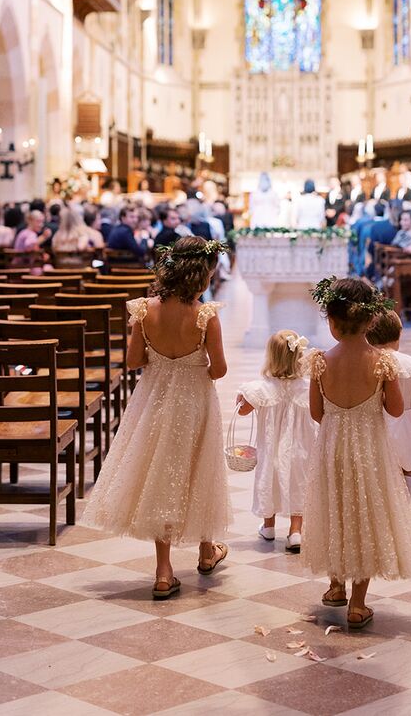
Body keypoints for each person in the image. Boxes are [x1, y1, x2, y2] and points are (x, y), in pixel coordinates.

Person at [82, 237, 231, 598]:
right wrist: (194, 369)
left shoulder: (144, 310)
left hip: (155, 398)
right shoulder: (205, 315)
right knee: (200, 468)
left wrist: (164, 364)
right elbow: (220, 369)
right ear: (201, 276)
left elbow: (133, 362)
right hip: (195, 399)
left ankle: (163, 571)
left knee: (163, 474)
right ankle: (206, 550)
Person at [302, 277, 411, 629]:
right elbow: (397, 409)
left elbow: (316, 413)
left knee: (336, 509)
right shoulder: (382, 363)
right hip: (370, 449)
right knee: (366, 515)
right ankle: (358, 603)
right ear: (372, 320)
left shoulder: (320, 361)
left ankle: (335, 585)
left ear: (333, 322)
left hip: (333, 447)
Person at [236, 329, 316, 553]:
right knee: (299, 482)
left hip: (271, 450)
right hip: (300, 449)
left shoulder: (262, 388)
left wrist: (241, 399)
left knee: (269, 480)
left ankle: (269, 526)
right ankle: (295, 531)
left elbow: (242, 411)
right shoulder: (307, 388)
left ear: (270, 357)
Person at [367, 309, 411, 497]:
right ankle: (404, 505)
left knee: (379, 467)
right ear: (399, 333)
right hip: (404, 423)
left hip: (374, 422)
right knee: (406, 465)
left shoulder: (368, 363)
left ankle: (382, 503)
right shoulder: (409, 363)